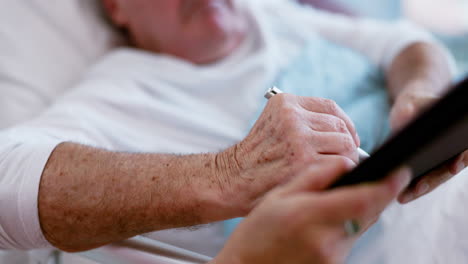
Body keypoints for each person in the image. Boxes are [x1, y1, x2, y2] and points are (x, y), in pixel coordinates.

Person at [0, 0, 466, 262]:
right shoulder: (119, 91)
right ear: (116, 7)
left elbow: (407, 42)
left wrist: (418, 98)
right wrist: (231, 172)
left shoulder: (271, 18)